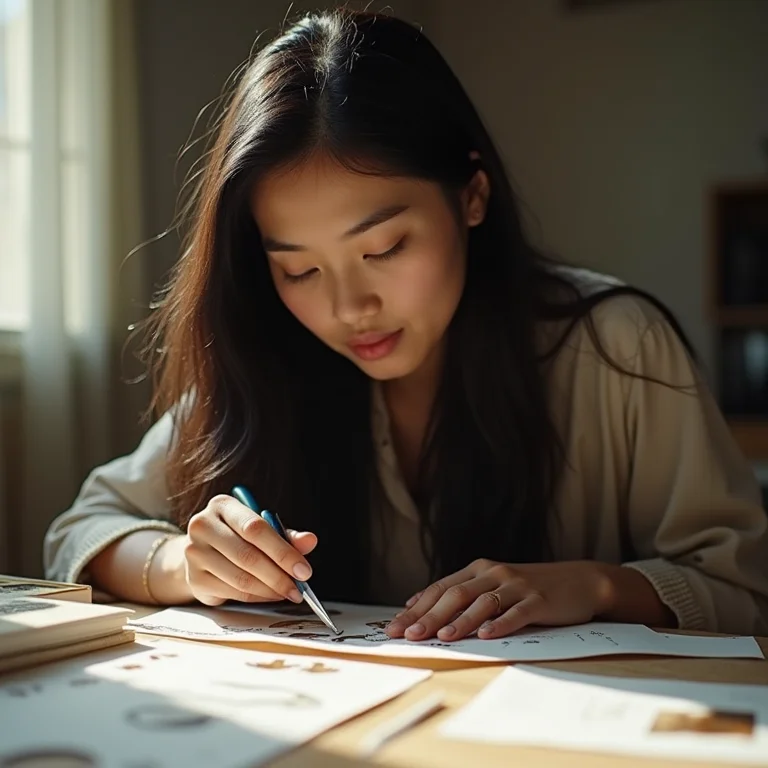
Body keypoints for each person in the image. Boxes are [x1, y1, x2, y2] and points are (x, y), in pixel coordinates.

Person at [44, 8, 768, 641]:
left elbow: (746, 590)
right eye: (299, 269)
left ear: (473, 195)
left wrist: (597, 587)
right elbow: (81, 530)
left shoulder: (617, 347)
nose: (348, 307)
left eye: (384, 248)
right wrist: (183, 563)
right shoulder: (272, 351)